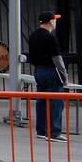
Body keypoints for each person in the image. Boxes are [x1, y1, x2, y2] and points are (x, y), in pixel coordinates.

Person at [28, 11, 67, 142]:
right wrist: (64, 75)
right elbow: (57, 58)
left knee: (42, 100)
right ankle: (54, 132)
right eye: (54, 20)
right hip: (51, 70)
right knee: (56, 101)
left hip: (38, 70)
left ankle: (42, 130)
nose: (55, 22)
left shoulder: (34, 35)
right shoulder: (50, 37)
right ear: (50, 22)